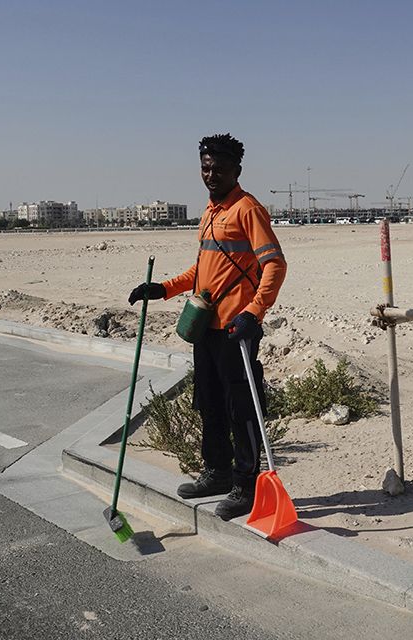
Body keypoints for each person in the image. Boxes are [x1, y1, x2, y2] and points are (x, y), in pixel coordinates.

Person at [129, 133, 287, 520]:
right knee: (210, 403)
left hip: (236, 328)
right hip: (207, 328)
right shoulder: (210, 211)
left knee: (242, 408)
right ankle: (216, 472)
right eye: (205, 167)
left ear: (236, 169)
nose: (210, 174)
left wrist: (254, 313)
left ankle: (246, 485)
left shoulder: (247, 209)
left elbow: (275, 264)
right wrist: (162, 288)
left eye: (218, 168)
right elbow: (201, 270)